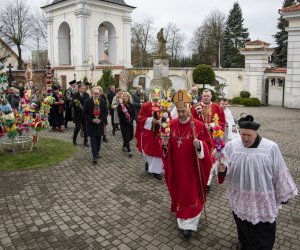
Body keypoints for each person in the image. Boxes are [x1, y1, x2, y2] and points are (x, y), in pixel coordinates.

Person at [217, 115, 298, 250]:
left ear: (256, 134)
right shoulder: (232, 145)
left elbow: (279, 170)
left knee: (262, 228)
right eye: (243, 134)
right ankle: (245, 243)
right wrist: (222, 169)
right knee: (242, 222)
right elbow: (225, 165)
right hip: (240, 195)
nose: (246, 138)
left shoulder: (271, 147)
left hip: (262, 198)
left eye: (249, 135)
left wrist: (283, 194)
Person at [163, 89, 213, 239]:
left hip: (192, 167)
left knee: (191, 194)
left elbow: (208, 144)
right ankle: (182, 219)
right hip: (177, 166)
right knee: (180, 193)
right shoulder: (170, 124)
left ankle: (190, 225)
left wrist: (200, 146)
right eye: (178, 111)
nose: (181, 114)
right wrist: (164, 144)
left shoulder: (197, 125)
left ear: (189, 108)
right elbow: (164, 144)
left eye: (183, 110)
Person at [192, 88, 225, 192]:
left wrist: (211, 125)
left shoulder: (216, 107)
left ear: (211, 97)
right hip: (200, 138)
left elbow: (222, 121)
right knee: (199, 158)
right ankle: (199, 179)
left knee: (211, 160)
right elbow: (191, 120)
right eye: (204, 96)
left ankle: (207, 183)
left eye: (208, 96)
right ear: (202, 96)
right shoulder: (195, 107)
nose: (206, 97)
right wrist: (201, 125)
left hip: (213, 138)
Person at [135, 87, 163, 179]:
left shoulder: (163, 105)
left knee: (159, 151)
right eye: (154, 94)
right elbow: (141, 118)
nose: (156, 96)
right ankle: (148, 163)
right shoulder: (146, 105)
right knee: (148, 151)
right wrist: (151, 120)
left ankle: (157, 171)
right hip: (149, 132)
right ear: (151, 94)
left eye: (158, 94)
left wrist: (162, 122)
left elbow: (168, 117)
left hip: (160, 133)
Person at [83, 86, 108, 164]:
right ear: (92, 93)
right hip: (91, 124)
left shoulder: (102, 101)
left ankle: (97, 152)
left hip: (99, 124)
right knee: (93, 139)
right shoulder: (87, 101)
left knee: (98, 140)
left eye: (97, 93)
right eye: (95, 93)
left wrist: (100, 120)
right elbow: (84, 113)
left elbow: (105, 112)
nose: (96, 94)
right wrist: (92, 119)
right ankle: (94, 156)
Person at [117, 92, 135, 158]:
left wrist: (131, 120)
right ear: (122, 97)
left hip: (130, 123)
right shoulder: (120, 105)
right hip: (124, 123)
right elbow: (120, 115)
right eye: (124, 96)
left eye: (126, 96)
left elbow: (133, 114)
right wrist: (126, 121)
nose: (125, 97)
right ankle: (129, 151)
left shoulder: (131, 104)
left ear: (129, 97)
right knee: (126, 137)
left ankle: (124, 146)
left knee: (129, 137)